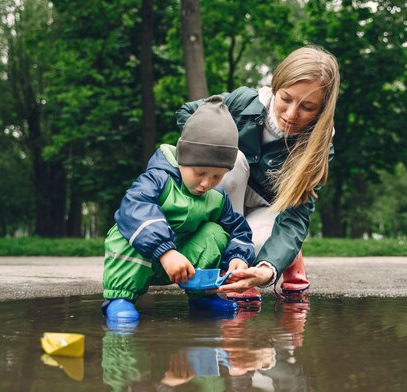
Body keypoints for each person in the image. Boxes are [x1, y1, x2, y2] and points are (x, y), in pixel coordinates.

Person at [175, 46, 340, 304]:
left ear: (322, 108)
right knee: (232, 158)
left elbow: (295, 217)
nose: (291, 114)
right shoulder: (243, 102)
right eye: (286, 98)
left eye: (307, 107)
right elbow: (187, 113)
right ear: (275, 86)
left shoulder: (318, 147)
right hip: (229, 195)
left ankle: (280, 257)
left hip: (269, 209)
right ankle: (226, 261)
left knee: (257, 248)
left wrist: (266, 268)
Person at [102, 95, 256, 323]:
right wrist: (165, 251)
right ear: (183, 158)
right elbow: (134, 208)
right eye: (200, 172)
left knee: (215, 231)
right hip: (144, 258)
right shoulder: (158, 179)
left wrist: (238, 258)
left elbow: (238, 230)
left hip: (182, 265)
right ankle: (120, 299)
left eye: (217, 176)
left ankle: (201, 295)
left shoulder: (216, 196)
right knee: (131, 230)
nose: (206, 183)